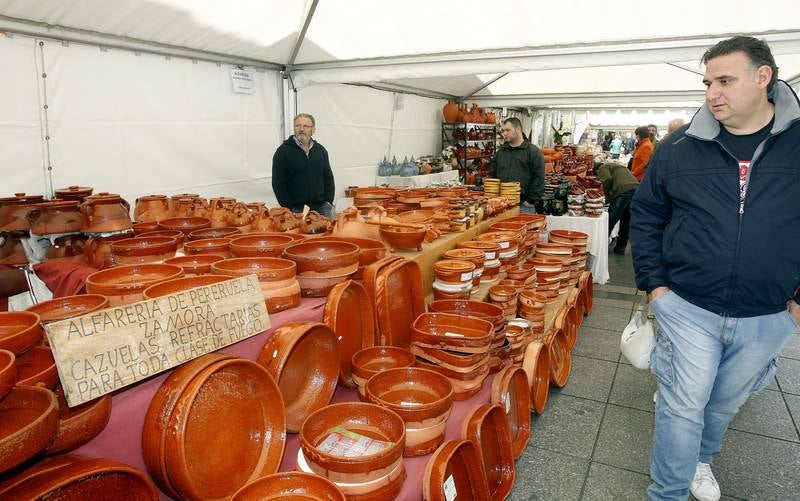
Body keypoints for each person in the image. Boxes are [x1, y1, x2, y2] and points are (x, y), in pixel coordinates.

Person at [630, 36, 800, 501]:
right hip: (686, 305)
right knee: (683, 406)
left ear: (763, 78)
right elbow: (647, 215)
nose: (712, 92)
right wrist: (656, 287)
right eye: (708, 82)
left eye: (725, 80)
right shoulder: (679, 146)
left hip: (768, 314)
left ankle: (701, 458)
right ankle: (667, 492)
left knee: (723, 404)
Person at [271, 113, 335, 219]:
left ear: (313, 130)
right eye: (298, 125)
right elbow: (278, 183)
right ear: (294, 128)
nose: (301, 129)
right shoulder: (283, 152)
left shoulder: (321, 150)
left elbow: (328, 177)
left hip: (322, 207)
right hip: (297, 210)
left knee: (330, 234)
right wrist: (288, 207)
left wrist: (328, 201)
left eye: (306, 126)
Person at [489, 117, 545, 212]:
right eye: (503, 131)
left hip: (524, 206)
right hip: (502, 205)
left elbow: (539, 177)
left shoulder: (532, 151)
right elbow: (492, 175)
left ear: (518, 129)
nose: (504, 133)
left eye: (508, 130)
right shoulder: (500, 152)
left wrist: (531, 200)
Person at [595, 162, 638, 254]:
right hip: (636, 188)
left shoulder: (603, 167)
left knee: (611, 219)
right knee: (626, 221)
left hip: (622, 191)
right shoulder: (616, 166)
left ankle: (602, 247)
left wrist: (606, 195)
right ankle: (620, 247)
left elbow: (607, 179)